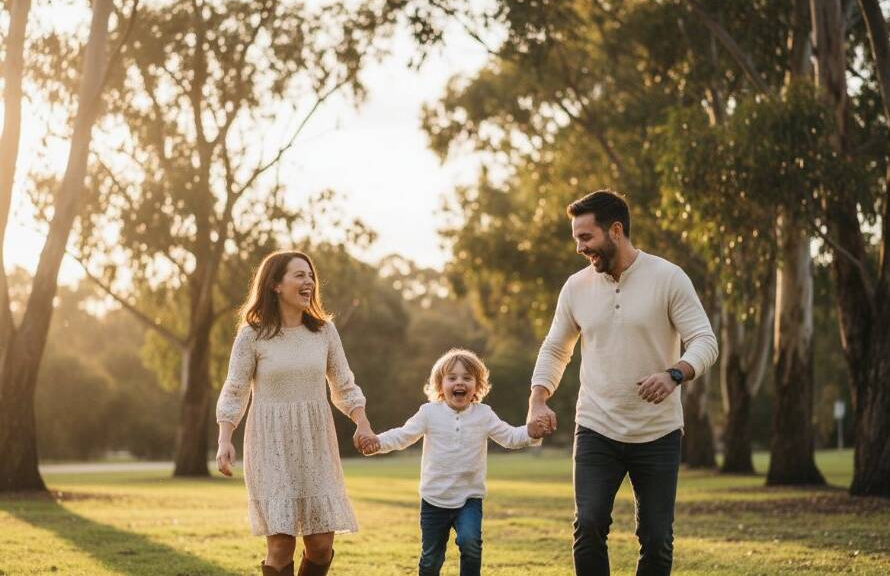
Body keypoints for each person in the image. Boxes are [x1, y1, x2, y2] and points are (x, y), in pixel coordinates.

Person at [526, 190, 719, 576]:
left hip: (658, 432)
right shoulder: (576, 288)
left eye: (586, 237)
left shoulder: (668, 277)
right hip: (597, 426)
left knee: (657, 537)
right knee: (590, 524)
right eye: (576, 238)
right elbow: (555, 349)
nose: (580, 248)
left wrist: (674, 373)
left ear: (616, 230)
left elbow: (705, 340)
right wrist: (538, 399)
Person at [215, 250, 377, 576]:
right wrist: (225, 439)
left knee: (321, 545)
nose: (309, 282)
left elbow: (344, 384)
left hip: (316, 443)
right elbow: (235, 389)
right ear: (275, 284)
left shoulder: (324, 332)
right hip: (269, 444)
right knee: (280, 544)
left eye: (311, 275)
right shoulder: (252, 335)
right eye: (299, 275)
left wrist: (362, 423)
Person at [362, 348, 549, 576]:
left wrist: (531, 432)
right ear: (440, 385)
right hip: (434, 500)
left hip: (469, 498)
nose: (459, 382)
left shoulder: (484, 414)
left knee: (470, 543)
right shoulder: (429, 413)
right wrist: (377, 442)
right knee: (431, 559)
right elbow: (402, 435)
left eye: (467, 378)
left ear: (477, 386)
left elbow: (510, 437)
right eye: (452, 378)